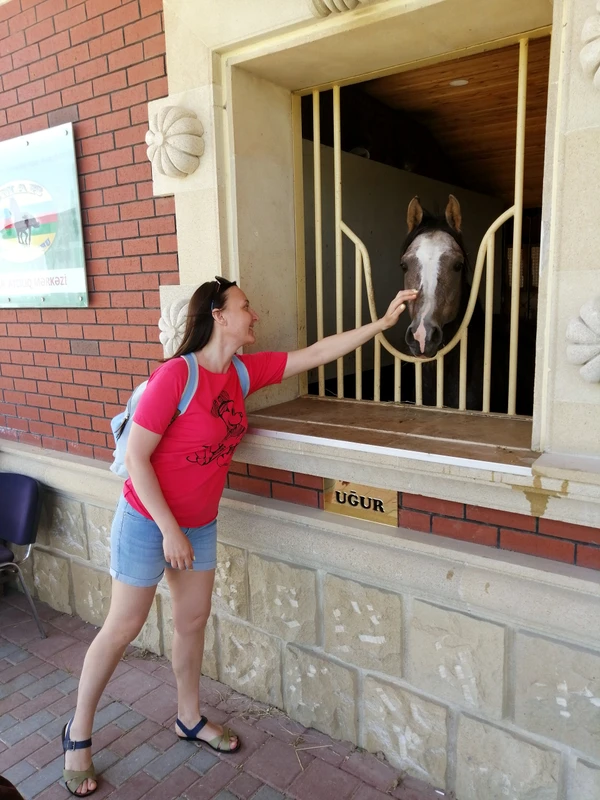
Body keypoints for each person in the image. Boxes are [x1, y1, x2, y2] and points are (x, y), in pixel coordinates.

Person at [61, 276, 417, 796]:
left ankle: (188, 717)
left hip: (199, 524)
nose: (255, 314)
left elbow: (315, 353)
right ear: (219, 316)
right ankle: (78, 731)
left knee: (193, 622)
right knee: (124, 626)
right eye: (245, 306)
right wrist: (167, 530)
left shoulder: (241, 374)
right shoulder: (174, 378)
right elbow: (137, 459)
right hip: (147, 520)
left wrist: (382, 325)